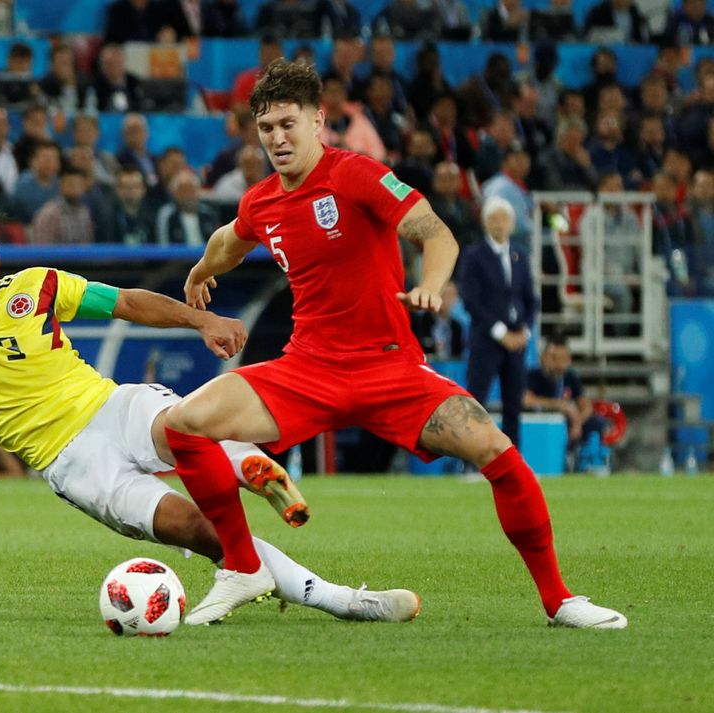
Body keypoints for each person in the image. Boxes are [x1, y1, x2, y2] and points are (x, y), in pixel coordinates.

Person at [0, 106, 410, 625]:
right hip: (73, 459)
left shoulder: (37, 285)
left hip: (112, 405)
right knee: (200, 530)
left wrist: (201, 322)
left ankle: (240, 461)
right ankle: (337, 594)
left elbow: (126, 302)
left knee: (181, 426)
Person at [161, 60, 626, 629]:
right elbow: (230, 240)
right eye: (266, 129)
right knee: (184, 423)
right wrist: (200, 272)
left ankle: (560, 600)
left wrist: (430, 285)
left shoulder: (355, 174)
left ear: (318, 120)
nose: (277, 139)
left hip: (389, 369)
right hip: (307, 369)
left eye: (288, 124)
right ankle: (242, 566)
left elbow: (436, 232)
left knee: (497, 451)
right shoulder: (262, 200)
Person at [458, 197, 538, 447]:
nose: (499, 224)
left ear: (512, 224)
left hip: (516, 341)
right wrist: (500, 331)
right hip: (486, 340)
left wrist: (523, 332)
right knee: (478, 399)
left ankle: (513, 462)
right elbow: (471, 300)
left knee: (514, 403)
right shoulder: (474, 256)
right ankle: (472, 459)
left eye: (504, 218)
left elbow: (530, 299)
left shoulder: (520, 257)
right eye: (494, 218)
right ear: (485, 223)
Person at [524, 334, 605, 459]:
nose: (559, 364)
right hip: (542, 424)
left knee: (595, 422)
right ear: (542, 358)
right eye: (554, 358)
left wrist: (578, 421)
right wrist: (560, 405)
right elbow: (526, 400)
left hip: (567, 424)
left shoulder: (570, 377)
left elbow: (586, 405)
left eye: (564, 359)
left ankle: (587, 461)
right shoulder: (532, 376)